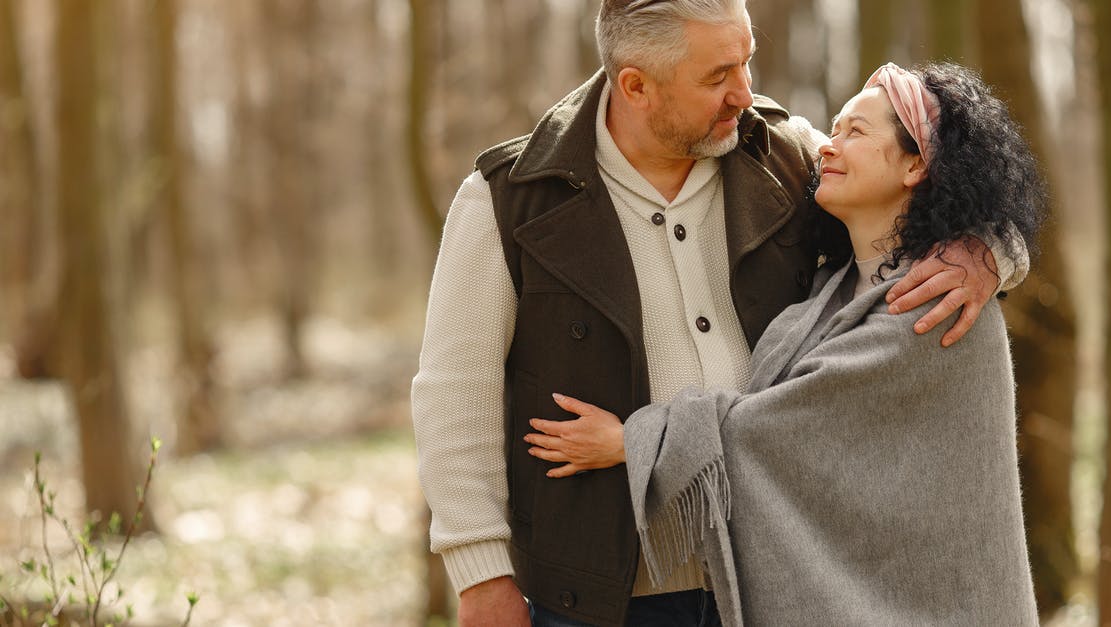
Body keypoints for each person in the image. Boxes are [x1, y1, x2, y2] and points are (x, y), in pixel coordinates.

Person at [410, 0, 1027, 624]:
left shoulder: (785, 157)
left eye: (746, 63)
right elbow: (455, 395)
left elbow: (932, 186)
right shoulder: (510, 199)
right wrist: (481, 576)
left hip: (768, 582)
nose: (744, 93)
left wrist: (990, 252)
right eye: (716, 77)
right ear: (637, 86)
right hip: (595, 597)